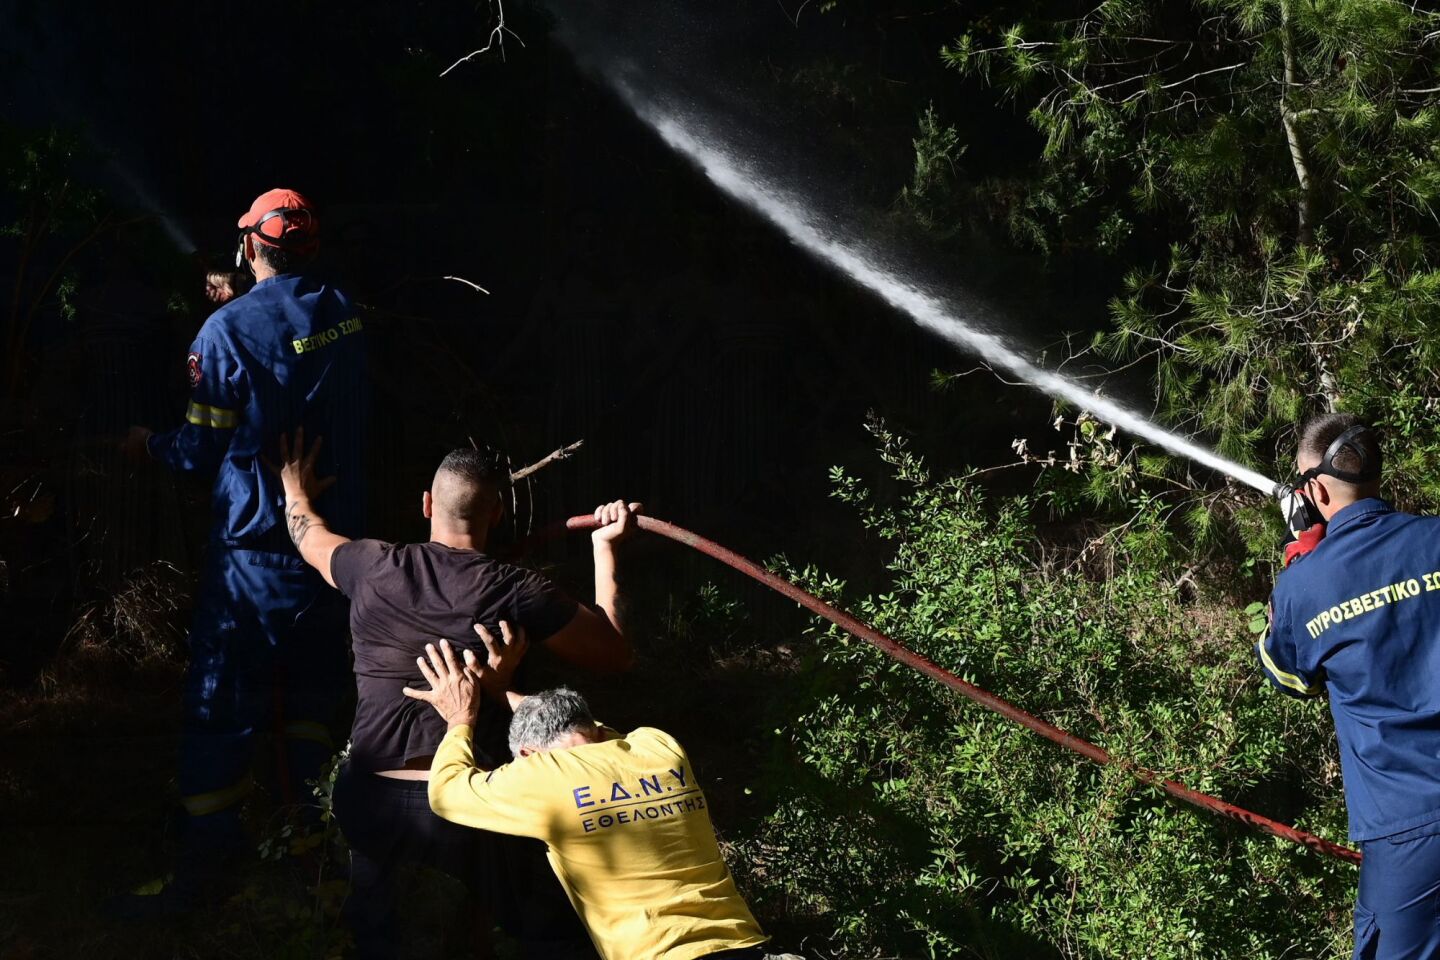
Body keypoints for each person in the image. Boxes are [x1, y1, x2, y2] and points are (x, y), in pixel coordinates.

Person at [272, 431, 636, 958]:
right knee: (551, 927)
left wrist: (294, 491)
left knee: (380, 935)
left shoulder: (371, 565)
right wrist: (606, 550)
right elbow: (616, 654)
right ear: (497, 515)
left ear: (426, 504)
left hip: (367, 795)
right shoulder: (516, 589)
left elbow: (308, 537)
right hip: (461, 803)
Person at [112, 189, 366, 916]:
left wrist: (145, 445)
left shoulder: (223, 332)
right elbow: (292, 338)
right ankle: (313, 857)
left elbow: (199, 449)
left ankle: (204, 872)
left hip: (254, 557)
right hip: (330, 552)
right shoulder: (346, 313)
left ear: (250, 246)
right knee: (312, 700)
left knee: (223, 705)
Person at [403, 651, 797, 960]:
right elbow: (594, 738)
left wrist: (460, 717)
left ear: (526, 753)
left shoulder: (541, 776)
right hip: (750, 947)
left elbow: (446, 792)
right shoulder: (658, 747)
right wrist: (506, 691)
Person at [1259, 412, 1440, 960]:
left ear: (1312, 490)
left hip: (1407, 825)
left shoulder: (1303, 584)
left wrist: (1303, 556)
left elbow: (1288, 676)